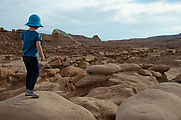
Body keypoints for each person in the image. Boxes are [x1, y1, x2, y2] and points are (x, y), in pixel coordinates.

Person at [20, 14, 45, 98]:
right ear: (37, 26)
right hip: (32, 56)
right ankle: (30, 90)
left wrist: (24, 52)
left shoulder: (24, 33)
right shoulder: (36, 34)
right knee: (36, 72)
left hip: (25, 56)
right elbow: (38, 46)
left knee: (29, 73)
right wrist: (42, 56)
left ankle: (27, 90)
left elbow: (23, 44)